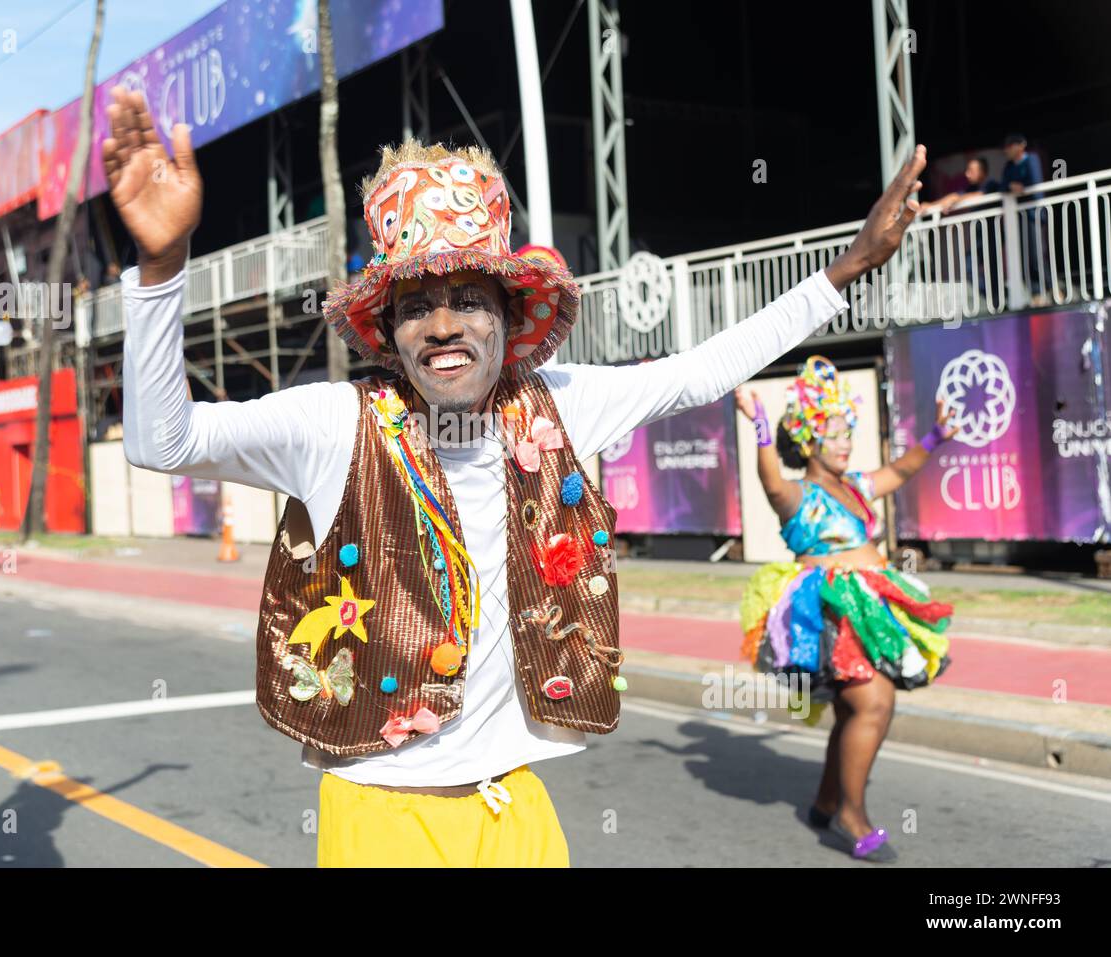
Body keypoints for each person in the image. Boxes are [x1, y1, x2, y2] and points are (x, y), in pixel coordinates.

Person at [108, 83, 928, 867]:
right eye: (414, 305)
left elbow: (700, 371)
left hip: (514, 808)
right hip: (382, 818)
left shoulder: (558, 406)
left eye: (468, 298)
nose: (442, 325)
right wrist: (162, 267)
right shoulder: (334, 425)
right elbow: (162, 439)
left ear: (509, 315)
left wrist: (848, 268)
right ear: (388, 331)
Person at [734, 358, 958, 862]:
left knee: (852, 708)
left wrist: (935, 436)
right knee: (872, 704)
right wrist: (762, 425)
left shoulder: (854, 485)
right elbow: (771, 483)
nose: (844, 442)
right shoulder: (797, 494)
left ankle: (827, 800)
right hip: (829, 613)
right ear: (810, 438)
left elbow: (900, 470)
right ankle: (848, 817)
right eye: (834, 433)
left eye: (847, 432)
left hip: (870, 607)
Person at [921, 156, 1003, 299]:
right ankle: (995, 300)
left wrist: (955, 201)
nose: (967, 174)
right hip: (979, 238)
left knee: (992, 273)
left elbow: (978, 195)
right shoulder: (970, 188)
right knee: (969, 269)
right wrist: (931, 206)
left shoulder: (991, 185)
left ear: (982, 172)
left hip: (992, 236)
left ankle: (999, 300)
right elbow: (953, 197)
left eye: (971, 170)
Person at [1000, 133, 1051, 303]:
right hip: (1019, 217)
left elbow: (1034, 182)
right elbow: (1003, 185)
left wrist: (1019, 186)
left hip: (1033, 213)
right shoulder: (1008, 166)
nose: (1007, 150)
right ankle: (1036, 294)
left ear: (1021, 145)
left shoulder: (1031, 159)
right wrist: (1010, 186)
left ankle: (1053, 288)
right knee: (1026, 258)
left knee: (1036, 255)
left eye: (1010, 146)